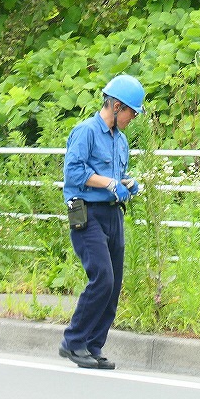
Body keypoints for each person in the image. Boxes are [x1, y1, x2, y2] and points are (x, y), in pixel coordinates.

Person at [59, 75, 146, 370]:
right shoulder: (86, 132)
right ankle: (73, 342)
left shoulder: (120, 140)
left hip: (112, 213)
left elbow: (116, 176)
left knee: (114, 284)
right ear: (117, 105)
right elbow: (73, 172)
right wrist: (109, 183)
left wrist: (127, 182)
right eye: (132, 112)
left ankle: (93, 346)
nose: (133, 118)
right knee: (102, 278)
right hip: (86, 213)